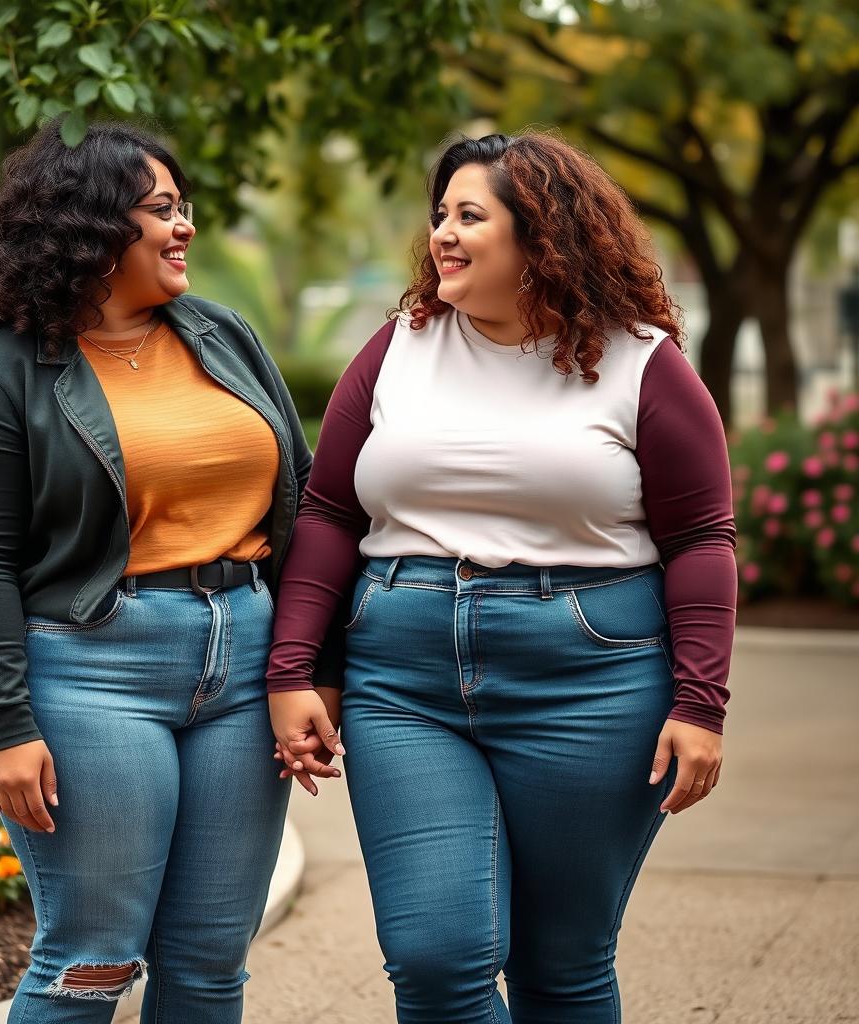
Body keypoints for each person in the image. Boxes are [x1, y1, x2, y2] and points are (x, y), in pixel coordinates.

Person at [267, 132, 736, 1023]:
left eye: (469, 216)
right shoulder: (398, 347)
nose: (442, 233)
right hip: (404, 683)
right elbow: (329, 513)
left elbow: (704, 539)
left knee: (560, 967)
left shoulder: (641, 363)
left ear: (542, 234)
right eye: (439, 214)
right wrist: (295, 668)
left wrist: (699, 705)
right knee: (436, 960)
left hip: (591, 682)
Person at [0, 118, 317, 1023]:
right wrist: (5, 724)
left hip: (244, 658)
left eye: (184, 207)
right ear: (90, 226)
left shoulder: (225, 335)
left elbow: (300, 501)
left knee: (212, 962)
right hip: (94, 669)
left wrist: (308, 665)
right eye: (159, 209)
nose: (183, 226)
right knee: (92, 960)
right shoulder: (2, 372)